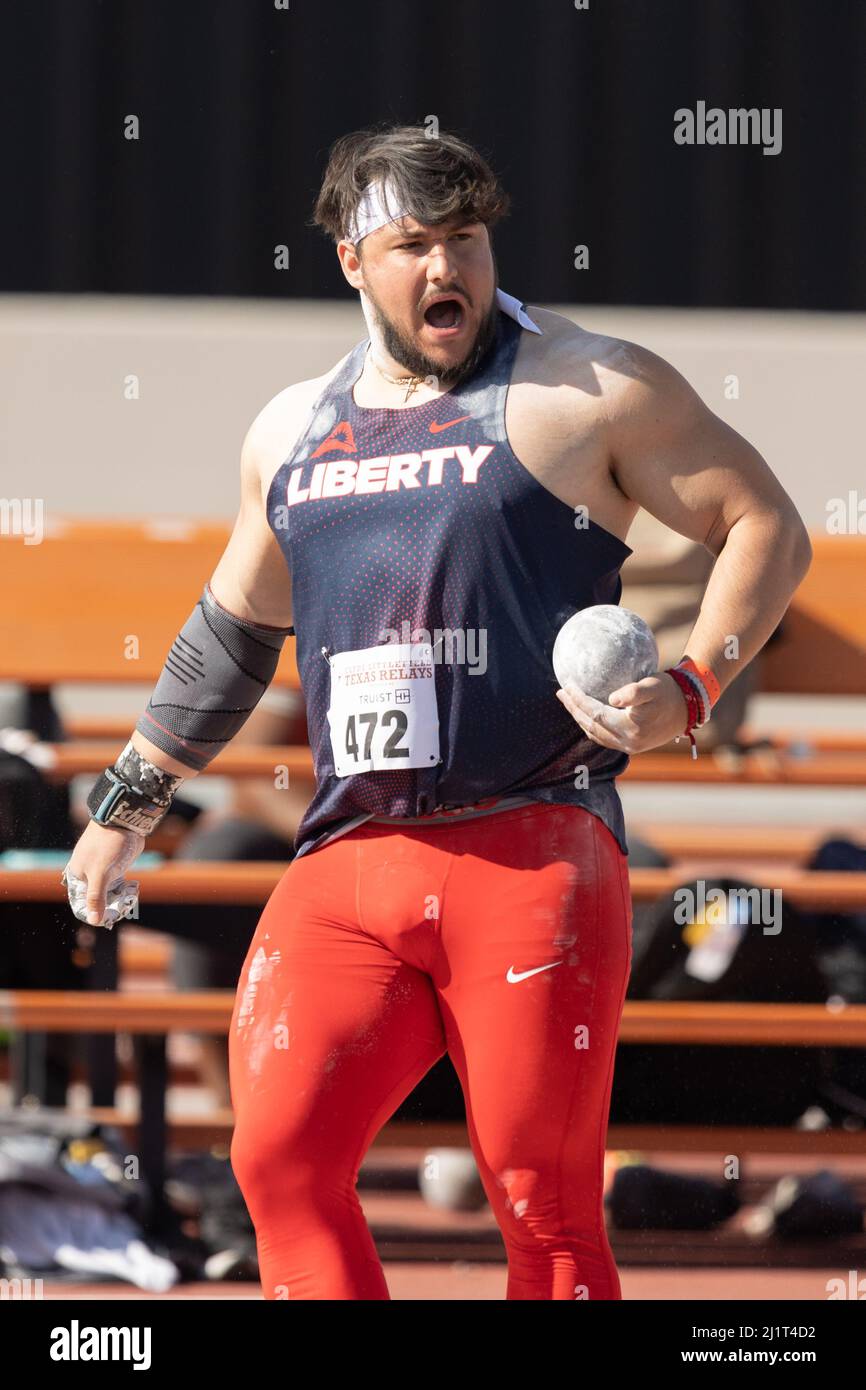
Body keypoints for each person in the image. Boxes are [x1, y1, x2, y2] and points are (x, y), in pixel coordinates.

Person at [62, 124, 812, 1300]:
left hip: (530, 850)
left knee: (541, 1203)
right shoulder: (291, 431)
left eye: (463, 238)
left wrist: (691, 686)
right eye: (409, 245)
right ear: (352, 261)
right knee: (278, 1161)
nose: (444, 270)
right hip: (351, 857)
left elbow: (764, 522)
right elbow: (233, 629)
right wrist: (127, 800)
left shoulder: (584, 387)